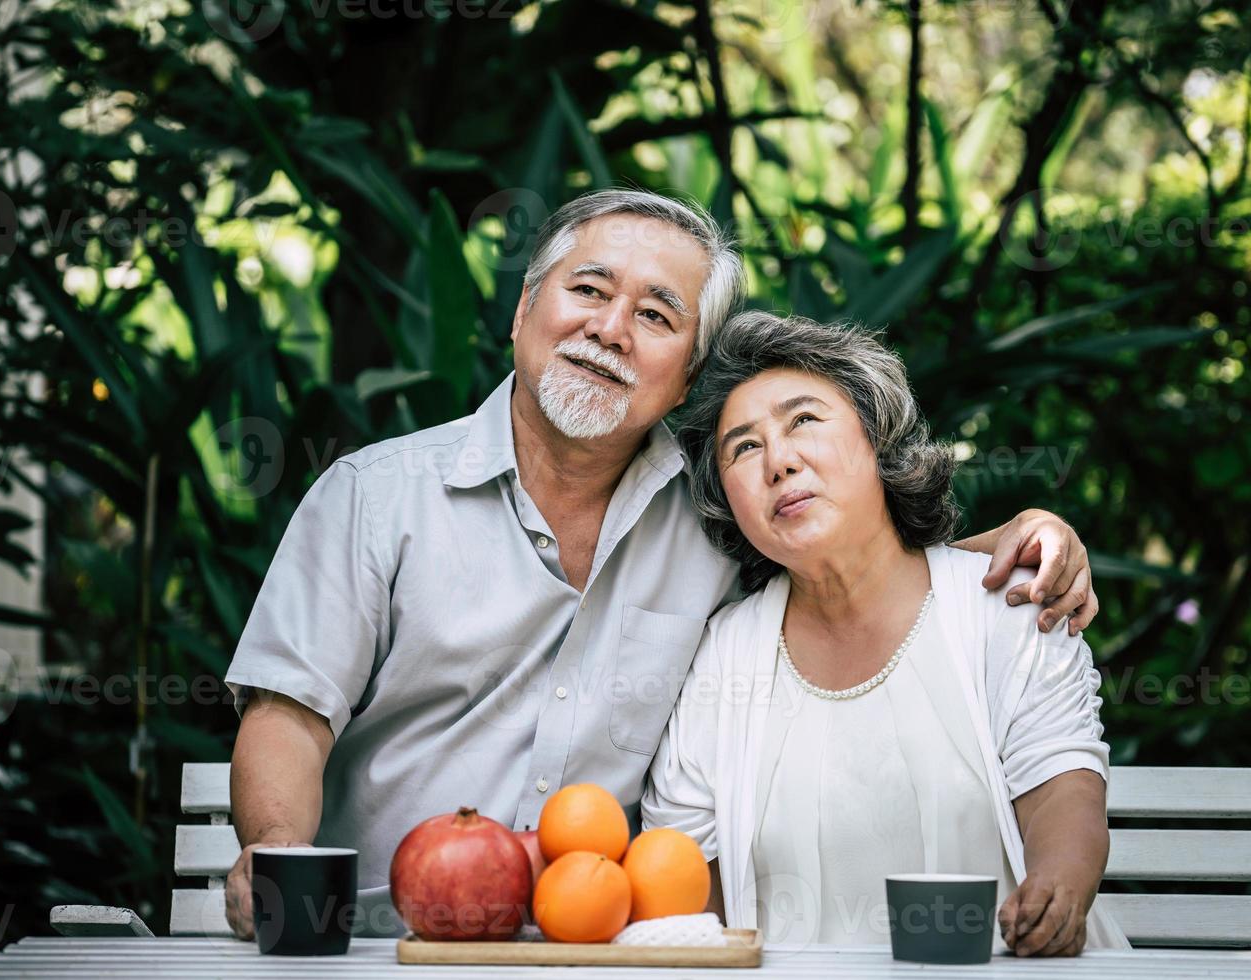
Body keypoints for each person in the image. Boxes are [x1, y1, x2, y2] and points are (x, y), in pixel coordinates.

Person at [221, 189, 1102, 939]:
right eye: (588, 291)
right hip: (386, 938)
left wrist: (1011, 544)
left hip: (601, 945)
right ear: (526, 312)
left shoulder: (717, 515)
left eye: (655, 315)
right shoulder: (373, 499)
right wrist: (275, 848)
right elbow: (291, 711)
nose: (609, 329)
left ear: (685, 378)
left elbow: (848, 554)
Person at [643, 311, 1127, 955]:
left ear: (877, 440)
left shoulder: (1006, 607)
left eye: (804, 420)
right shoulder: (719, 658)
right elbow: (687, 876)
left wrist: (1059, 887)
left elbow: (1063, 783)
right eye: (744, 447)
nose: (779, 461)